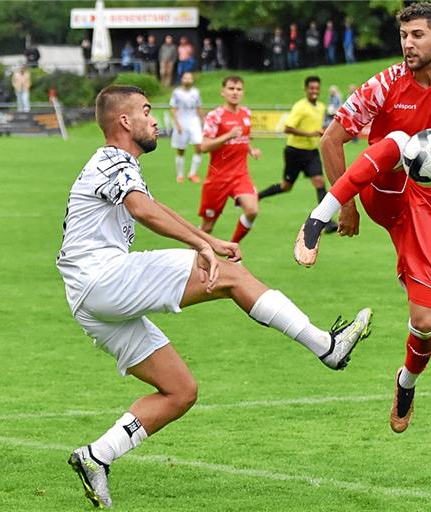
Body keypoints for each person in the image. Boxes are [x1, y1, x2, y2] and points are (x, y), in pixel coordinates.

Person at [58, 84, 374, 509]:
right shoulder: (112, 158)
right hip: (101, 277)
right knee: (231, 277)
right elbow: (143, 210)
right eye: (148, 112)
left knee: (180, 390)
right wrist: (203, 249)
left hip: (86, 298)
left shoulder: (120, 165)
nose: (156, 120)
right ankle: (326, 346)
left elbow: (154, 204)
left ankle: (97, 456)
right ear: (124, 122)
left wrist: (207, 239)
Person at [296, 1, 431, 434]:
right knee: (401, 140)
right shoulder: (384, 84)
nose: (408, 44)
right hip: (384, 187)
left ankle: (406, 382)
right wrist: (346, 206)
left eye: (417, 35)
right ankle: (316, 220)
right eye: (403, 35)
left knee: (425, 323)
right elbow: (332, 139)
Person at [259, 76, 338, 234]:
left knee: (319, 181)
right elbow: (287, 128)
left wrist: (322, 132)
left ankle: (326, 221)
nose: (314, 91)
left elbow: (316, 127)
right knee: (286, 186)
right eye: (311, 88)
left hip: (312, 152)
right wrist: (309, 134)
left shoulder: (321, 107)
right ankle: (257, 196)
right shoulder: (300, 107)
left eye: (317, 88)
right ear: (306, 89)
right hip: (294, 151)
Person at [199, 76, 261, 243]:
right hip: (218, 178)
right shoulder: (215, 116)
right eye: (231, 89)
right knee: (207, 227)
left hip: (240, 175)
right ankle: (189, 261)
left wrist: (251, 150)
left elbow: (244, 138)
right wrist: (228, 135)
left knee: (252, 210)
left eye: (239, 89)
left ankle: (233, 248)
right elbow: (204, 146)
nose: (235, 92)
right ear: (223, 92)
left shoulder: (246, 113)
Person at [170, 71, 205, 184]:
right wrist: (177, 124)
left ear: (192, 80)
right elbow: (173, 109)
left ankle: (192, 173)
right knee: (181, 150)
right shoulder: (176, 92)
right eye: (185, 78)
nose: (188, 80)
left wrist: (203, 122)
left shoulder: (196, 92)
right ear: (182, 79)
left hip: (194, 121)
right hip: (181, 122)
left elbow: (199, 107)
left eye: (190, 78)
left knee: (199, 146)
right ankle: (180, 175)